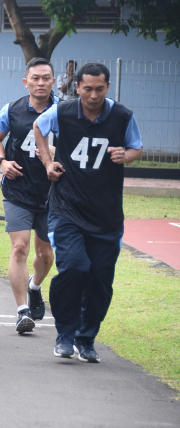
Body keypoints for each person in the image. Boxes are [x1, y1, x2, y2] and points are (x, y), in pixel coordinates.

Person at [34, 62, 142, 363]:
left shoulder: (122, 116)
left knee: (100, 279)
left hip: (106, 215)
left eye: (99, 89)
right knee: (74, 268)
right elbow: (38, 128)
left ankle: (86, 338)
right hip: (66, 208)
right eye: (87, 89)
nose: (93, 95)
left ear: (107, 87)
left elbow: (136, 148)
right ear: (77, 87)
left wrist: (126, 155)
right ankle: (65, 335)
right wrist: (47, 162)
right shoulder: (63, 112)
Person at [0, 57, 57, 334]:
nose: (40, 83)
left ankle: (35, 286)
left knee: (46, 254)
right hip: (17, 189)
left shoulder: (64, 111)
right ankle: (21, 311)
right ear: (25, 81)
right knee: (19, 248)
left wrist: (55, 158)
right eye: (35, 78)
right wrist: (1, 162)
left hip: (52, 193)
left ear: (54, 81)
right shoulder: (13, 109)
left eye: (46, 78)